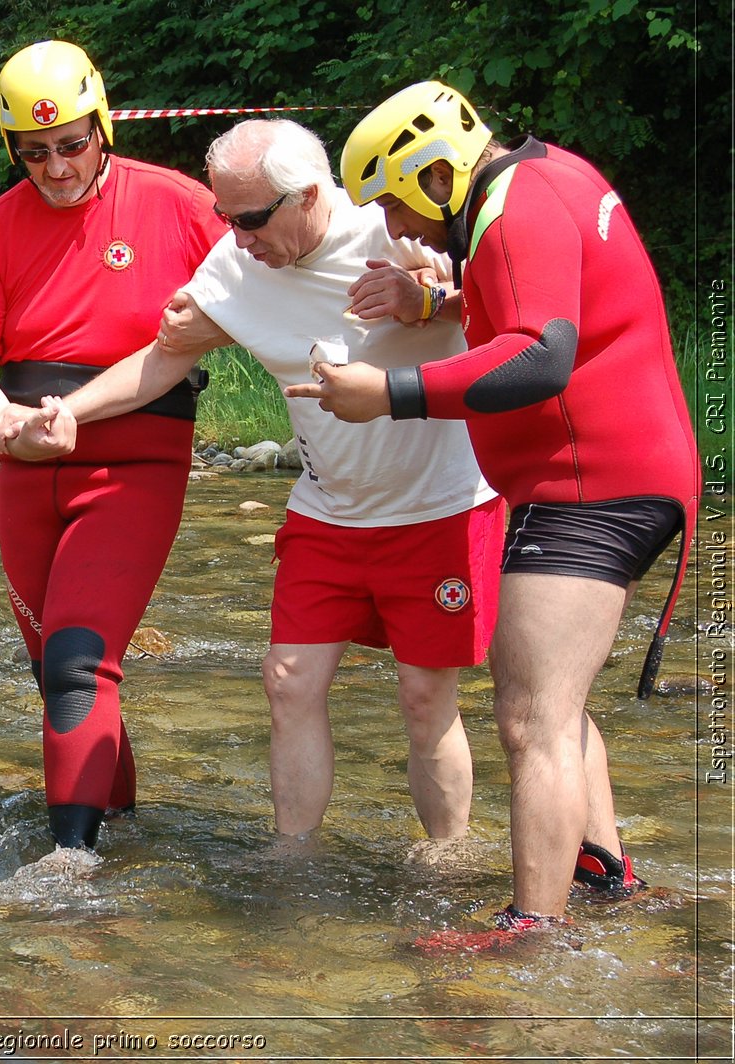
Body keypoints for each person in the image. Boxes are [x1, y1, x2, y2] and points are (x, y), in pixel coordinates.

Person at [1, 118, 503, 845]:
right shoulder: (238, 264)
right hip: (328, 510)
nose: (235, 237)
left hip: (439, 506)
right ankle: (292, 866)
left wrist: (427, 300)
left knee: (426, 697)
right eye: (224, 218)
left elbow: (509, 312)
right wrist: (64, 414)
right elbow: (163, 359)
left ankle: (447, 857)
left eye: (250, 219)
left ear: (307, 195)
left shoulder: (392, 227)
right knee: (288, 682)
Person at [283, 81, 699, 947]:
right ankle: (604, 873)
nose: (397, 230)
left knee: (528, 715)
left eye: (397, 205)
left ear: (438, 174)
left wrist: (388, 394)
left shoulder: (515, 212)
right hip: (611, 476)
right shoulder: (544, 179)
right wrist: (431, 305)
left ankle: (530, 927)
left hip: (591, 485)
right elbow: (539, 305)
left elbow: (541, 358)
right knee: (560, 697)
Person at [0, 40, 226, 857]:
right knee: (57, 674)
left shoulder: (177, 204)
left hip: (137, 465)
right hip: (28, 472)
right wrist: (2, 425)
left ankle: (69, 867)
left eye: (72, 145)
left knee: (74, 663)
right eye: (35, 153)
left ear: (102, 126)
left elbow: (281, 264)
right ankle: (119, 825)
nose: (57, 168)